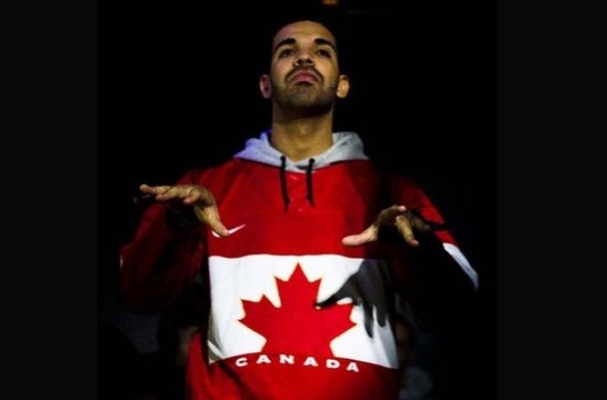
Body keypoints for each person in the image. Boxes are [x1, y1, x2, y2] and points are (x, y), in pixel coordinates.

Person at [119, 16, 478, 400]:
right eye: (287, 51)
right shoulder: (205, 188)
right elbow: (141, 295)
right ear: (265, 84)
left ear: (342, 84)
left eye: (322, 51)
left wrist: (418, 247)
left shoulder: (393, 193)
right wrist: (174, 226)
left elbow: (457, 310)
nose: (304, 58)